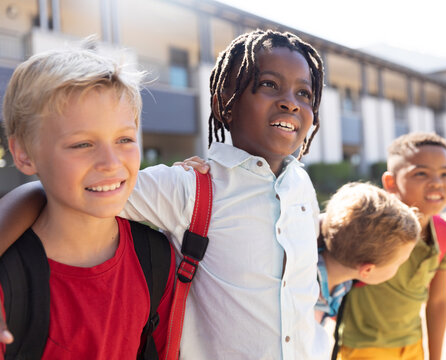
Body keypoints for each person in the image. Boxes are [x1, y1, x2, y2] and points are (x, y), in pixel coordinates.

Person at [0, 29, 329, 359]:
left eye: (305, 92)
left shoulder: (301, 186)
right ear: (222, 103)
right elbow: (58, 191)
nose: (290, 101)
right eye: (269, 84)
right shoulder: (191, 186)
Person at [0, 47, 175, 359]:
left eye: (124, 140)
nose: (110, 163)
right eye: (82, 144)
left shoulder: (156, 259)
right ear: (23, 153)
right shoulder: (8, 279)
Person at [335, 132, 446, 360]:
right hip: (363, 348)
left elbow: (437, 301)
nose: (437, 182)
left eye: (445, 174)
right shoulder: (370, 227)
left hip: (412, 347)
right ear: (390, 182)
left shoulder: (444, 233)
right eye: (421, 173)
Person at [315, 182, 420, 324]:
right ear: (367, 270)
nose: (401, 266)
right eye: (399, 263)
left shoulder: (341, 282)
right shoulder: (307, 294)